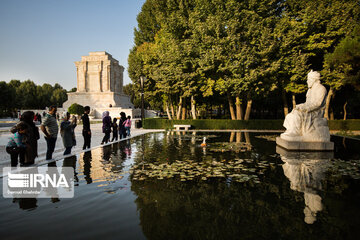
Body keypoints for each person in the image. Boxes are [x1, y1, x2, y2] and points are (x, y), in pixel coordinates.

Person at [281, 70, 330, 142]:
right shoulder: (310, 90)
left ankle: (295, 132)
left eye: (308, 80)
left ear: (313, 80)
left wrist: (306, 108)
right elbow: (307, 103)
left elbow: (318, 104)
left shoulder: (321, 89)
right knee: (291, 114)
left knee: (298, 114)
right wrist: (300, 106)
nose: (307, 81)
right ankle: (292, 131)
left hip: (316, 111)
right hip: (310, 109)